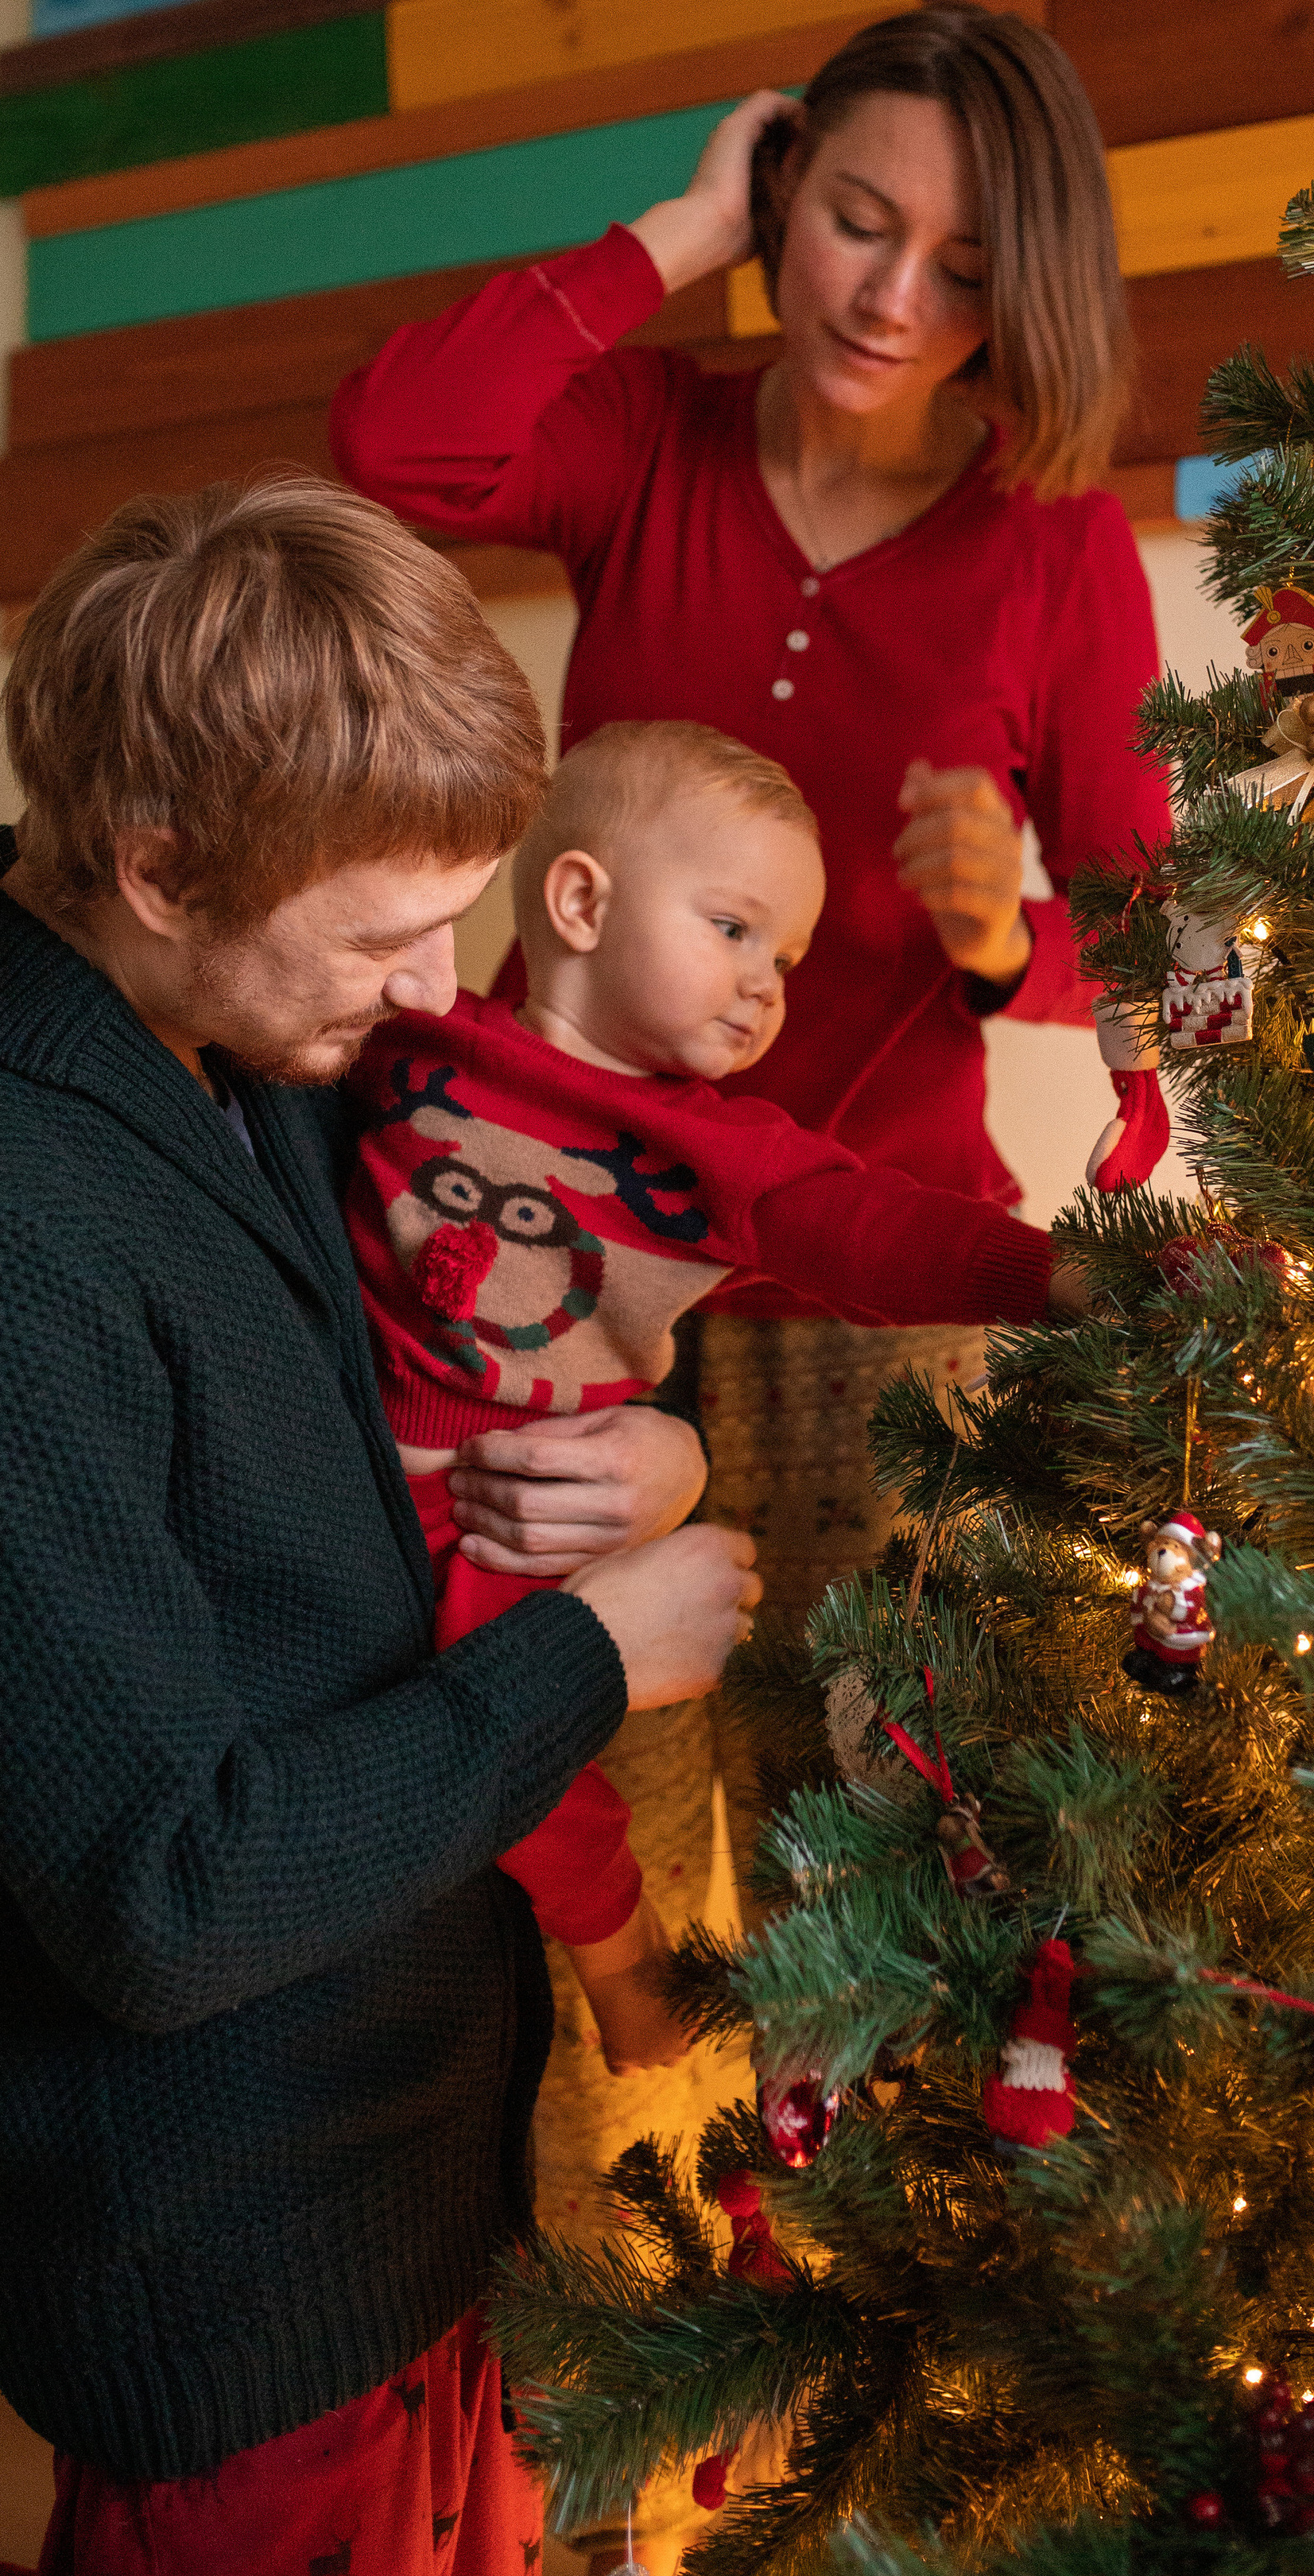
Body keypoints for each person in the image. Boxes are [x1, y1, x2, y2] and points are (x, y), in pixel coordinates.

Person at [333, 2, 1169, 2571]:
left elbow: (1144, 937)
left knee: (889, 1906)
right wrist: (663, 238)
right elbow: (405, 455)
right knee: (600, 1869)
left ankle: (918, 2487)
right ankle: (618, 2477)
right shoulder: (666, 438)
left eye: (955, 254)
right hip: (554, 1311)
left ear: (1028, 285)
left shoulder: (1053, 549)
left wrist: (1003, 930)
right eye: (846, 218)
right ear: (787, 196)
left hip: (872, 1303)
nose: (892, 292)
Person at [0, 479, 757, 2576]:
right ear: (158, 860)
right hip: (230, 2259)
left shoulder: (233, 1033)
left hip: (422, 2172)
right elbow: (163, 1888)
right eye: (389, 935)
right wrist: (592, 1661)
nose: (429, 991)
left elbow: (456, 1385)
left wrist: (647, 1458)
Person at [352, 719, 1089, 2070]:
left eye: (788, 962)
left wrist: (1068, 1279)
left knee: (534, 1757)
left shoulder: (721, 1153)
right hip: (331, 1476)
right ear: (577, 901)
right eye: (737, 930)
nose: (769, 990)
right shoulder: (414, 1037)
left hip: (512, 1510)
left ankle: (628, 1979)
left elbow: (883, 1232)